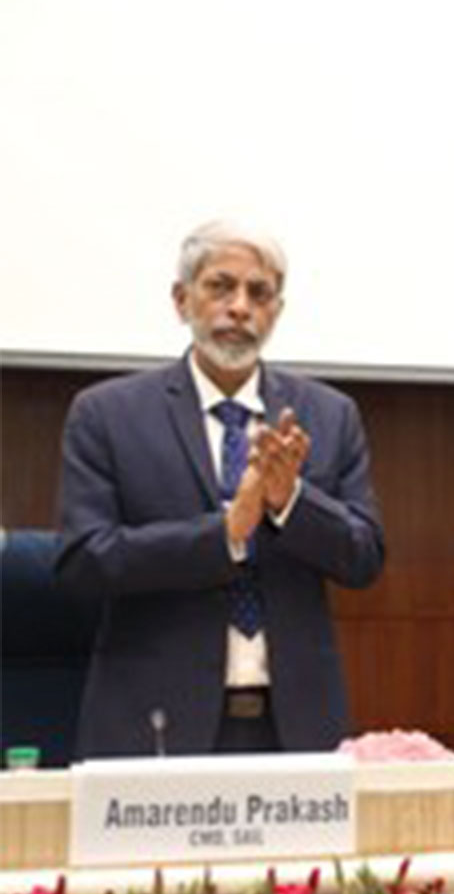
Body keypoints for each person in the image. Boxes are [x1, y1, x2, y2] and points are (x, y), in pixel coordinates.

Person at [56, 220, 385, 757]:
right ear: (182, 300)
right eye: (220, 286)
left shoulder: (327, 415)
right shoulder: (107, 414)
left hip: (296, 727)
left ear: (276, 313)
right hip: (152, 724)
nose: (239, 307)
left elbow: (364, 557)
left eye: (259, 293)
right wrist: (224, 534)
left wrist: (289, 503)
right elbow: (83, 563)